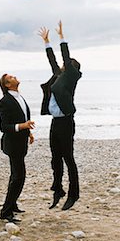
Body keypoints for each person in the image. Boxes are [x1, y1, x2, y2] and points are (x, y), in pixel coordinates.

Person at [38, 21, 82, 210]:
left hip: (66, 122)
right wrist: (47, 42)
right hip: (55, 122)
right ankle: (58, 189)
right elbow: (53, 60)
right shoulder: (59, 76)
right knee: (55, 157)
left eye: (66, 64)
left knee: (68, 158)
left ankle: (74, 194)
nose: (63, 65)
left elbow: (65, 56)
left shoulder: (72, 77)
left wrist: (62, 37)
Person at [0, 73, 35, 222]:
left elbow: (23, 118)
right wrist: (22, 126)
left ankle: (12, 205)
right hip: (12, 144)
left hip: (21, 142)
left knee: (16, 176)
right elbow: (3, 127)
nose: (15, 77)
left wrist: (28, 132)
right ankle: (5, 212)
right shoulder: (5, 101)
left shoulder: (19, 97)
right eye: (11, 77)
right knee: (18, 177)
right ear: (7, 84)